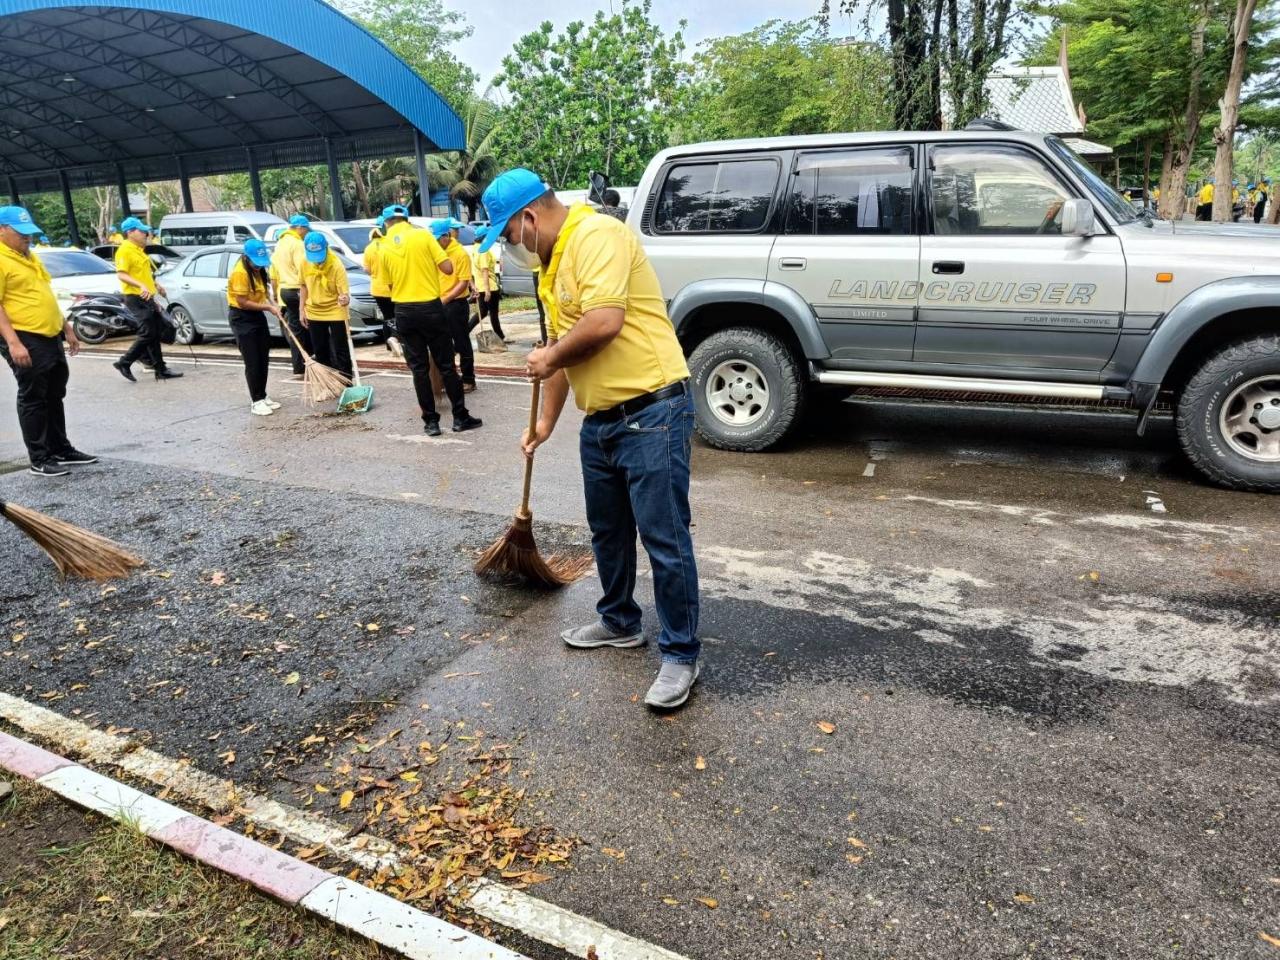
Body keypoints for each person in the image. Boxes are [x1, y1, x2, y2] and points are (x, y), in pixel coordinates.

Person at [480, 168, 700, 710]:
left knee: (665, 540)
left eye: (507, 235)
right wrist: (546, 424)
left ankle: (680, 654)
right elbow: (561, 349)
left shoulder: (597, 236)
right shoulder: (551, 265)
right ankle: (620, 621)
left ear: (528, 218)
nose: (510, 248)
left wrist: (550, 355)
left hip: (652, 411)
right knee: (607, 533)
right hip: (600, 419)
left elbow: (603, 322)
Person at [0, 206, 95, 477]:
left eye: (29, 233)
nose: (26, 238)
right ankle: (39, 458)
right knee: (33, 396)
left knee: (55, 392)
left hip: (49, 333)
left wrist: (65, 327)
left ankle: (61, 449)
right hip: (24, 335)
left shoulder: (28, 256)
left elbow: (44, 295)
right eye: (21, 234)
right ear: (2, 231)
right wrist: (13, 343)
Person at [379, 204, 481, 436]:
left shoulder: (382, 246)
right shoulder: (423, 236)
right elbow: (446, 268)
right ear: (406, 219)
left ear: (387, 223)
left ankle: (431, 423)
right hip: (431, 308)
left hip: (404, 310)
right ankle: (459, 417)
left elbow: (389, 285)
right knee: (446, 365)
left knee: (419, 370)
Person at [111, 216, 181, 382]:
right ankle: (124, 362)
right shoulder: (125, 250)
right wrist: (141, 286)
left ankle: (160, 369)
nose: (146, 234)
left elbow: (142, 274)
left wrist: (155, 285)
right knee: (148, 332)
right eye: (142, 231)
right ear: (130, 232)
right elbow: (121, 274)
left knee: (154, 333)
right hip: (135, 297)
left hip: (147, 296)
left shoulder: (138, 250)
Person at [227, 238, 283, 416]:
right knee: (252, 360)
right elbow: (242, 302)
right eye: (255, 263)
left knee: (263, 356)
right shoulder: (240, 273)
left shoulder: (259, 270)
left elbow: (265, 293)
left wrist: (274, 304)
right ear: (247, 257)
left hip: (257, 316)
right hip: (242, 317)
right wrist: (268, 308)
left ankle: (263, 394)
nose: (258, 266)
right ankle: (256, 400)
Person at [299, 232, 352, 379]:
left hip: (336, 309)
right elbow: (303, 286)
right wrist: (301, 310)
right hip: (314, 310)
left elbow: (345, 294)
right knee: (320, 349)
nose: (317, 260)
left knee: (341, 348)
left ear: (326, 248)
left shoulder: (336, 265)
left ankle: (347, 382)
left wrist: (344, 299)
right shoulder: (304, 262)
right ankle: (327, 384)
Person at [431, 219, 476, 392]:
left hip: (456, 304)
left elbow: (463, 283)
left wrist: (446, 299)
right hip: (438, 302)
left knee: (462, 342)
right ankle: (447, 378)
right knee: (443, 345)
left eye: (437, 239)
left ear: (446, 236)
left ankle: (468, 379)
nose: (435, 243)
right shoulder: (436, 253)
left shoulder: (460, 254)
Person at [271, 214, 313, 379]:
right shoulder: (297, 244)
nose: (306, 233)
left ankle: (299, 366)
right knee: (311, 324)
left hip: (285, 291)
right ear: (300, 228)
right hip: (297, 289)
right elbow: (303, 269)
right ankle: (316, 360)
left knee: (296, 329)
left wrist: (275, 295)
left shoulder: (280, 243)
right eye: (305, 230)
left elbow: (274, 274)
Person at [472, 225, 504, 341]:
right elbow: (484, 270)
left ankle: (500, 335)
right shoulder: (483, 250)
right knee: (493, 313)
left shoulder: (475, 249)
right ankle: (500, 336)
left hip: (480, 285)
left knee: (483, 312)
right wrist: (487, 290)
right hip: (489, 286)